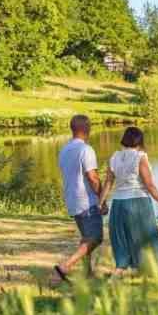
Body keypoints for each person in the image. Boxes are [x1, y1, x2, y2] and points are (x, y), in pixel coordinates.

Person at [99, 126, 158, 275]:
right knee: (148, 234)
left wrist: (100, 202)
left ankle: (120, 269)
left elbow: (108, 183)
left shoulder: (115, 157)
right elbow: (149, 185)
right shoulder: (140, 157)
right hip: (138, 202)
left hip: (118, 204)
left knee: (122, 237)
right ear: (139, 140)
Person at [55, 114, 103, 283]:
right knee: (95, 238)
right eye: (89, 127)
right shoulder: (86, 149)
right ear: (86, 129)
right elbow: (92, 177)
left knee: (86, 237)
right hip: (86, 200)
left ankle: (88, 273)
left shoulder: (64, 150)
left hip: (72, 199)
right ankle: (65, 266)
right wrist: (101, 198)